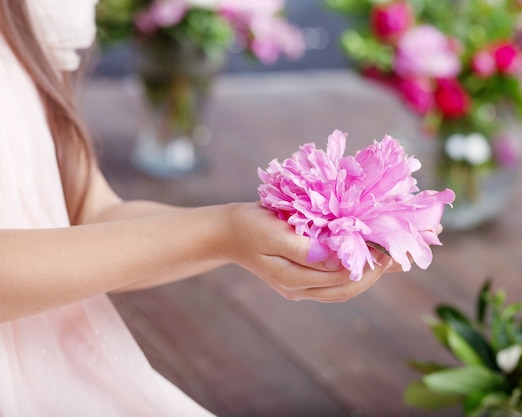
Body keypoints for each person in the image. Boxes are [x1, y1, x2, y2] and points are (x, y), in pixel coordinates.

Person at [0, 0, 395, 415]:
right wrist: (221, 231)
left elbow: (93, 218)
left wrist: (249, 230)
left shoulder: (29, 12)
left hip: (68, 368)